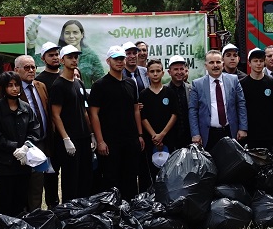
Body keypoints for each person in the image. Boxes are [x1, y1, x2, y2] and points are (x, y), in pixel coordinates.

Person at [89, 46, 145, 199]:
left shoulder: (130, 84)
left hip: (130, 140)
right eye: (116, 59)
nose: (120, 62)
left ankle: (130, 212)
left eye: (122, 59)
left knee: (131, 178)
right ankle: (111, 214)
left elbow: (135, 110)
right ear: (108, 61)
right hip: (110, 142)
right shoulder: (100, 85)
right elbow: (94, 114)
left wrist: (139, 135)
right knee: (111, 180)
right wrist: (100, 141)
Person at [0, 71, 42, 217]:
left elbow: (35, 131)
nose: (14, 88)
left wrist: (26, 147)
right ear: (4, 88)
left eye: (17, 85)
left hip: (23, 163)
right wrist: (14, 147)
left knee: (21, 200)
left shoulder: (26, 108)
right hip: (4, 164)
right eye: (10, 85)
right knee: (5, 200)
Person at [48, 44, 94, 200]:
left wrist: (91, 133)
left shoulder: (78, 83)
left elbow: (84, 111)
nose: (74, 60)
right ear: (62, 60)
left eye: (76, 57)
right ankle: (70, 215)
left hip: (83, 137)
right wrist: (66, 139)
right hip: (69, 140)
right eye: (70, 57)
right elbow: (55, 115)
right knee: (71, 179)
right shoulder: (58, 85)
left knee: (85, 177)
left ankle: (84, 214)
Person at [14, 54, 53, 210]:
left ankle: (35, 217)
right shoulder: (12, 88)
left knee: (38, 184)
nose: (31, 70)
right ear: (17, 70)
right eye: (27, 67)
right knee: (22, 185)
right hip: (21, 146)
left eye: (33, 67)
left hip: (40, 143)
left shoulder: (40, 86)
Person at [189, 50, 248, 150]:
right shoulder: (197, 84)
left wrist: (243, 128)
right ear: (206, 65)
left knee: (231, 164)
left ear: (223, 64)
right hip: (208, 134)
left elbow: (241, 104)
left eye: (218, 62)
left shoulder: (233, 80)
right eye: (211, 62)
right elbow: (193, 110)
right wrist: (195, 134)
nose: (215, 65)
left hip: (230, 132)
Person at [139, 59, 180, 178]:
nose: (155, 74)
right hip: (150, 139)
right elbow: (143, 117)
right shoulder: (143, 94)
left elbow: (174, 114)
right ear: (147, 74)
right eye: (152, 71)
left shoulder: (170, 92)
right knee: (151, 172)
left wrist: (162, 134)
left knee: (169, 172)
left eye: (158, 71)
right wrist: (154, 136)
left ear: (163, 73)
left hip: (168, 137)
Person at [239, 48, 273, 150]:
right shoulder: (242, 84)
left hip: (268, 131)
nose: (258, 64)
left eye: (261, 61)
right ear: (249, 63)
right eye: (255, 61)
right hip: (249, 132)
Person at [58, 18, 106, 85]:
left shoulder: (91, 56)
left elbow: (101, 81)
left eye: (75, 32)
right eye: (67, 33)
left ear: (82, 35)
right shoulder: (56, 55)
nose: (71, 36)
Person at [166, 55, 193, 149]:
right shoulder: (164, 90)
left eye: (181, 69)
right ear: (169, 72)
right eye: (176, 69)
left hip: (189, 138)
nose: (179, 72)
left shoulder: (191, 89)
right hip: (170, 139)